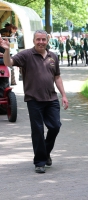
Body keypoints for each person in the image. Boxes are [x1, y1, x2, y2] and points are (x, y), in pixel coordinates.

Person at [0, 30, 69, 173]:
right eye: (38, 39)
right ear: (33, 40)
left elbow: (57, 77)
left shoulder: (53, 57)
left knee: (55, 127)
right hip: (34, 100)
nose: (41, 42)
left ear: (47, 41)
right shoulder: (26, 55)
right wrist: (6, 50)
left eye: (43, 39)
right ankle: (40, 162)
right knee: (37, 130)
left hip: (51, 98)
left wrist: (63, 95)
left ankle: (45, 152)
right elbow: (9, 62)